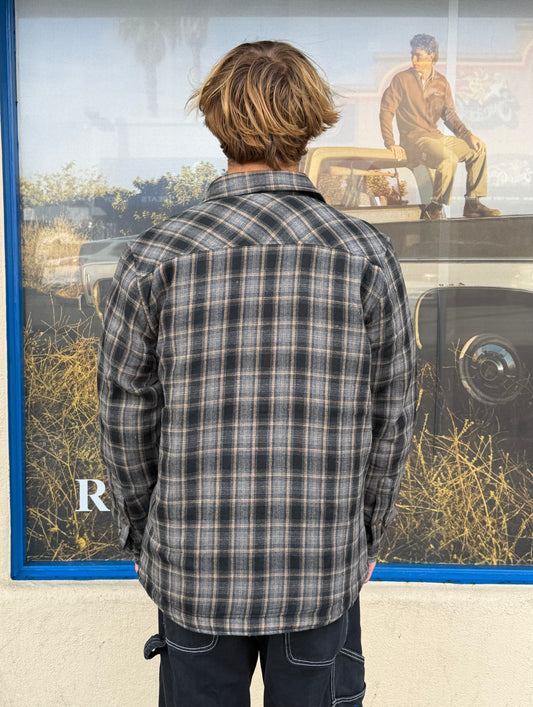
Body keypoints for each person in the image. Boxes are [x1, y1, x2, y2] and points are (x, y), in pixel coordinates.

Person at [98, 40, 416, 707]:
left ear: (217, 122)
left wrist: (147, 531)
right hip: (319, 568)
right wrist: (366, 532)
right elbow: (392, 414)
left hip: (194, 569)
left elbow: (126, 417)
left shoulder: (157, 256)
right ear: (311, 121)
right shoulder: (364, 255)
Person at [380, 33, 501, 220]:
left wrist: (469, 136)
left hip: (436, 137)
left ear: (431, 56)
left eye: (418, 55)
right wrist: (391, 143)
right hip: (414, 140)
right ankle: (435, 207)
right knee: (448, 158)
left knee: (478, 150)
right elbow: (386, 111)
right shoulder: (401, 80)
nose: (414, 60)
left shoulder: (441, 82)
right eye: (412, 55)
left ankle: (472, 204)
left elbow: (449, 115)